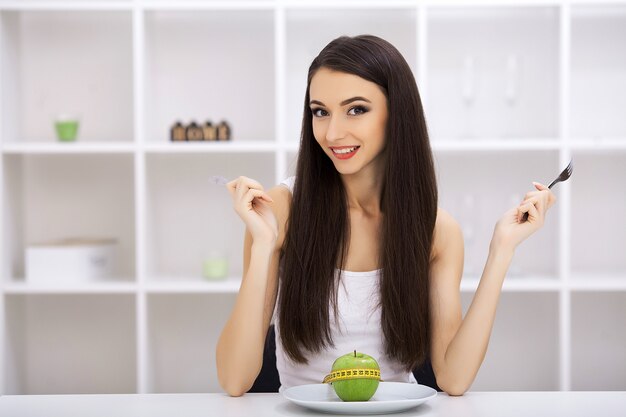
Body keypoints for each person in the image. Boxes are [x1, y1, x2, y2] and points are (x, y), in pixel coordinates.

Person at [216, 34, 556, 397]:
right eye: (320, 111)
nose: (332, 132)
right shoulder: (280, 212)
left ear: (397, 114)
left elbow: (454, 379)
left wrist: (501, 250)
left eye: (356, 109)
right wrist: (264, 245)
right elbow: (235, 380)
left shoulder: (437, 231)